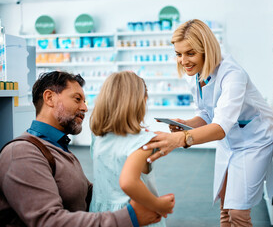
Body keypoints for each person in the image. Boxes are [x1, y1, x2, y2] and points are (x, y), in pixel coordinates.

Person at [142, 19, 273, 227]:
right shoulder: (195, 75)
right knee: (225, 207)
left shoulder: (232, 75)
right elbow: (206, 113)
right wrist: (187, 124)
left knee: (239, 213)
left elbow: (220, 127)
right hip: (229, 142)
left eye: (190, 53)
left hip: (253, 142)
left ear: (207, 50)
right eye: (178, 54)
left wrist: (181, 139)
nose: (183, 61)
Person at [0, 71, 161, 227]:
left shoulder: (57, 147)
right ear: (49, 98)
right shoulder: (22, 153)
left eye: (84, 101)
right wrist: (130, 218)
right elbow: (50, 222)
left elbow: (84, 192)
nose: (84, 108)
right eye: (77, 99)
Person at [89, 71, 174, 227]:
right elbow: (128, 182)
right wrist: (158, 205)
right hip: (135, 216)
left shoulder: (98, 137)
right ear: (142, 102)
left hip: (101, 215)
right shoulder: (142, 142)